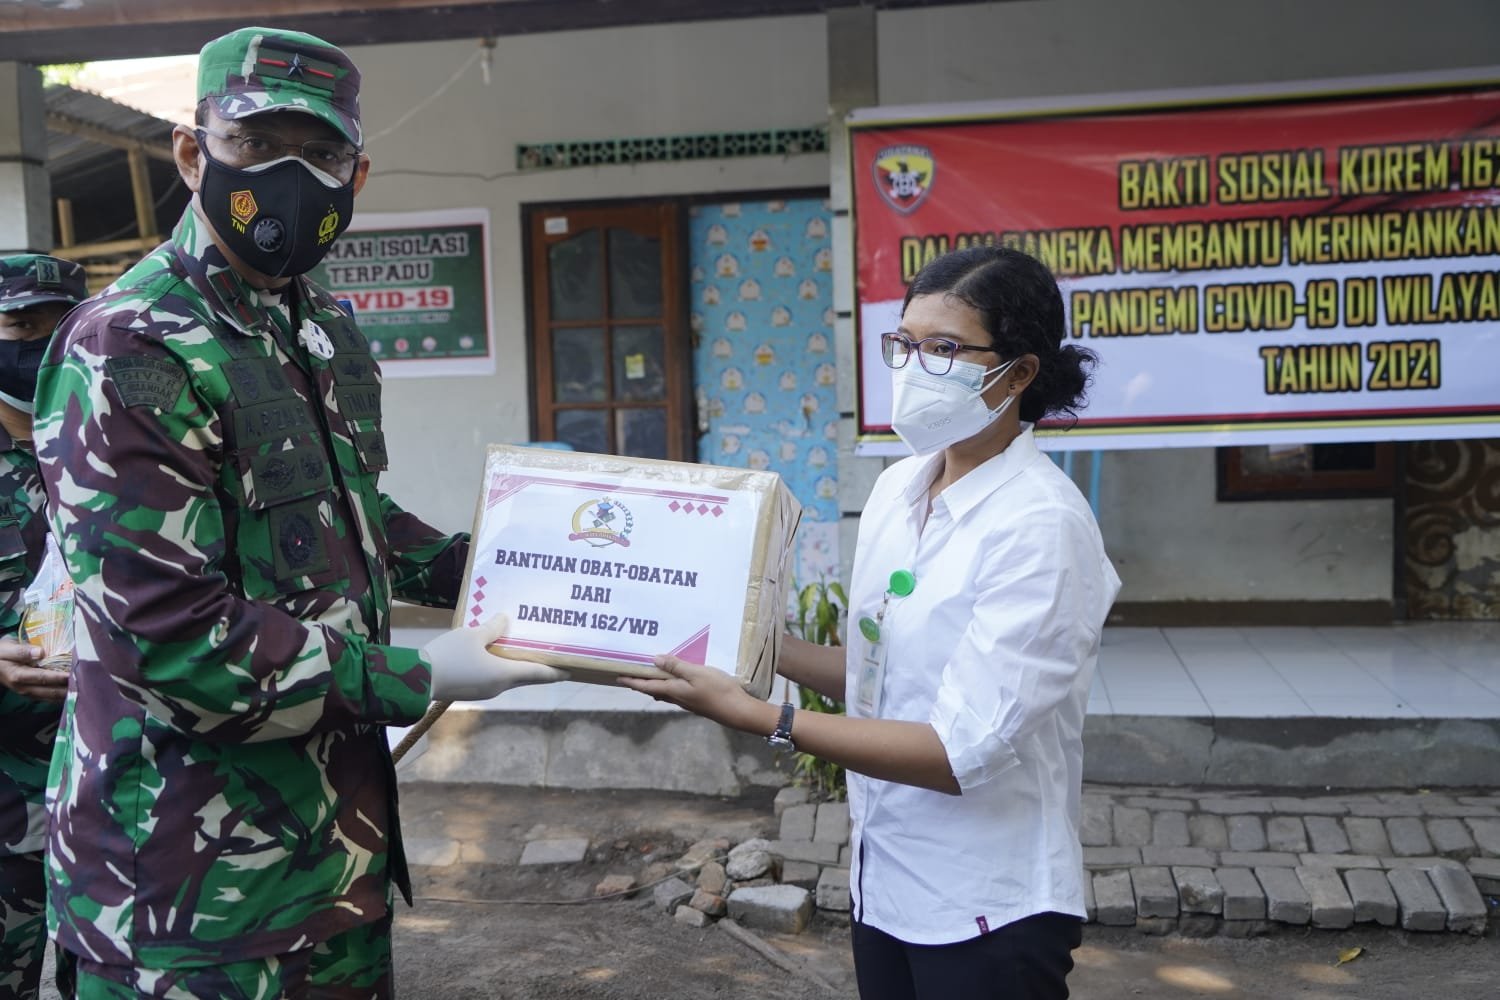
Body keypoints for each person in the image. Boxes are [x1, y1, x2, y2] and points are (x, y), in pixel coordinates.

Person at [34, 27, 560, 999]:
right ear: (193, 154)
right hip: (185, 902)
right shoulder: (130, 348)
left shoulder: (320, 324)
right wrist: (419, 671)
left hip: (335, 867)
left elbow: (344, 515)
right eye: (258, 145)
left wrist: (481, 567)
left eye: (320, 155)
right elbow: (168, 638)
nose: (292, 178)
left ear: (359, 172)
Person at [624, 245, 1121, 1000]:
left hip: (986, 904)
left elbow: (960, 751)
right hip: (885, 879)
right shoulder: (897, 490)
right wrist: (755, 648)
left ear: (1019, 373)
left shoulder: (1041, 527)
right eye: (907, 343)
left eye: (945, 348)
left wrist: (764, 717)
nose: (916, 366)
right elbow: (883, 667)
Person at [0, 254, 86, 1000]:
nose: (39, 345)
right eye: (17, 325)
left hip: (116, 780)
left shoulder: (117, 446)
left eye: (57, 324)